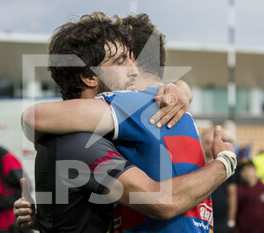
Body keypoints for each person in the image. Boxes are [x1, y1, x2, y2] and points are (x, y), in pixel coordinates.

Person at [15, 13, 236, 233]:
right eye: (120, 61)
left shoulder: (78, 136)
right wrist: (224, 163)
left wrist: (42, 219)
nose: (132, 71)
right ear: (90, 77)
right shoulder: (80, 142)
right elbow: (161, 201)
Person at [201, 129, 237, 233]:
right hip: (201, 221)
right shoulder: (196, 166)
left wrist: (231, 220)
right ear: (202, 143)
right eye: (207, 143)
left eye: (213, 143)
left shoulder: (227, 166)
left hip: (222, 223)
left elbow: (232, 195)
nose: (210, 146)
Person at [236, 161, 264, 233]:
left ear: (255, 170)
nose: (247, 172)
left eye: (249, 169)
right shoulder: (238, 190)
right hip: (245, 229)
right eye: (243, 170)